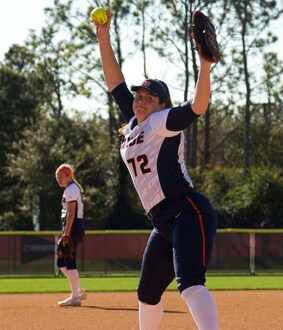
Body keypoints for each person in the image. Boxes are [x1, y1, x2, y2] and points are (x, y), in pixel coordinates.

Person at [93, 10, 219, 330]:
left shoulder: (161, 123)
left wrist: (204, 67)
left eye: (149, 97)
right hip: (163, 220)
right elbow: (114, 82)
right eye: (139, 95)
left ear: (162, 105)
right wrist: (103, 36)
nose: (140, 100)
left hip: (187, 211)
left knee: (189, 282)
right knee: (147, 293)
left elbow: (197, 107)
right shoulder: (135, 122)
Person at [55, 164, 87, 307]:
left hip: (73, 228)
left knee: (69, 262)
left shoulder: (71, 190)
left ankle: (75, 297)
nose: (59, 180)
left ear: (69, 175)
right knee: (61, 263)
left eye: (61, 177)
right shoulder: (70, 189)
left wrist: (66, 234)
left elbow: (71, 213)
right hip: (71, 229)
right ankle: (78, 290)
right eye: (57, 177)